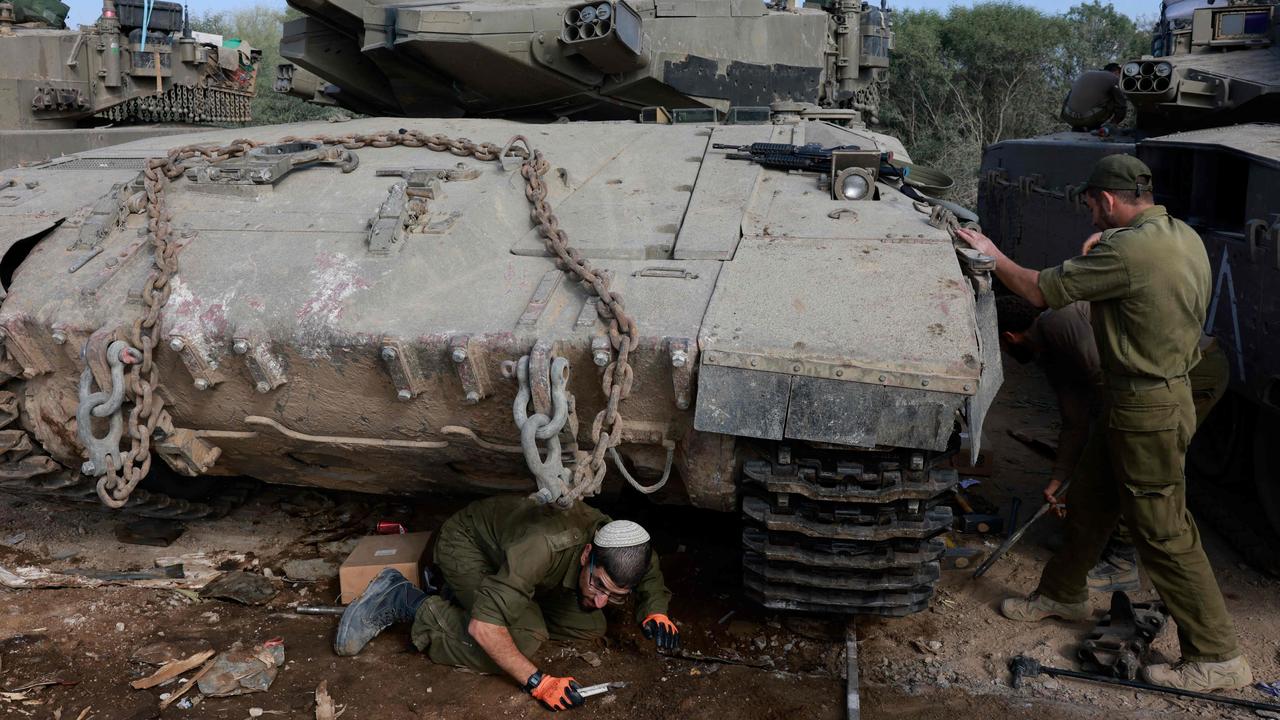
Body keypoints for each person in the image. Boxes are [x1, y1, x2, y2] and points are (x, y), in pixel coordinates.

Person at [955, 154, 1251, 692]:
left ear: (1108, 200)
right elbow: (1135, 276)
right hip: (1143, 399)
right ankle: (1062, 593)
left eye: (1090, 203)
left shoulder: (1127, 251)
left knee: (1164, 531)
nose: (1088, 212)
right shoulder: (1178, 235)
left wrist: (990, 252)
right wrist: (1105, 248)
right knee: (1090, 501)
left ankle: (1217, 654)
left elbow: (1039, 291)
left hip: (1146, 408)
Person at [332, 495, 677, 712]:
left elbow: (648, 574)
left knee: (588, 623)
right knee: (523, 638)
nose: (603, 600)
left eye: (616, 594)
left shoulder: (625, 550)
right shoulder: (544, 546)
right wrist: (538, 682)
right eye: (598, 585)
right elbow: (484, 629)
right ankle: (404, 598)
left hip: (517, 566)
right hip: (469, 546)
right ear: (588, 553)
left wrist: (655, 610)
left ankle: (480, 599)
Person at [996, 296, 1232, 592]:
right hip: (1150, 377)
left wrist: (1082, 483)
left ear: (1009, 337)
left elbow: (1121, 407)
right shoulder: (1049, 350)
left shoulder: (1064, 325)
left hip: (1195, 371)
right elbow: (1075, 423)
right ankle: (1092, 543)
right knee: (1109, 457)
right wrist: (1059, 479)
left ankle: (1121, 560)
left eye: (1003, 349)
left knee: (1134, 458)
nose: (1005, 353)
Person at [1061, 63, 1127, 132]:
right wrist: (1113, 124)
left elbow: (1068, 97)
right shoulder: (1114, 78)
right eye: (1120, 73)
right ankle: (1097, 127)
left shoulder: (1085, 74)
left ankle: (1079, 126)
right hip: (1089, 119)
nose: (1120, 76)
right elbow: (1122, 106)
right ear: (1116, 71)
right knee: (1116, 99)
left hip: (1069, 117)